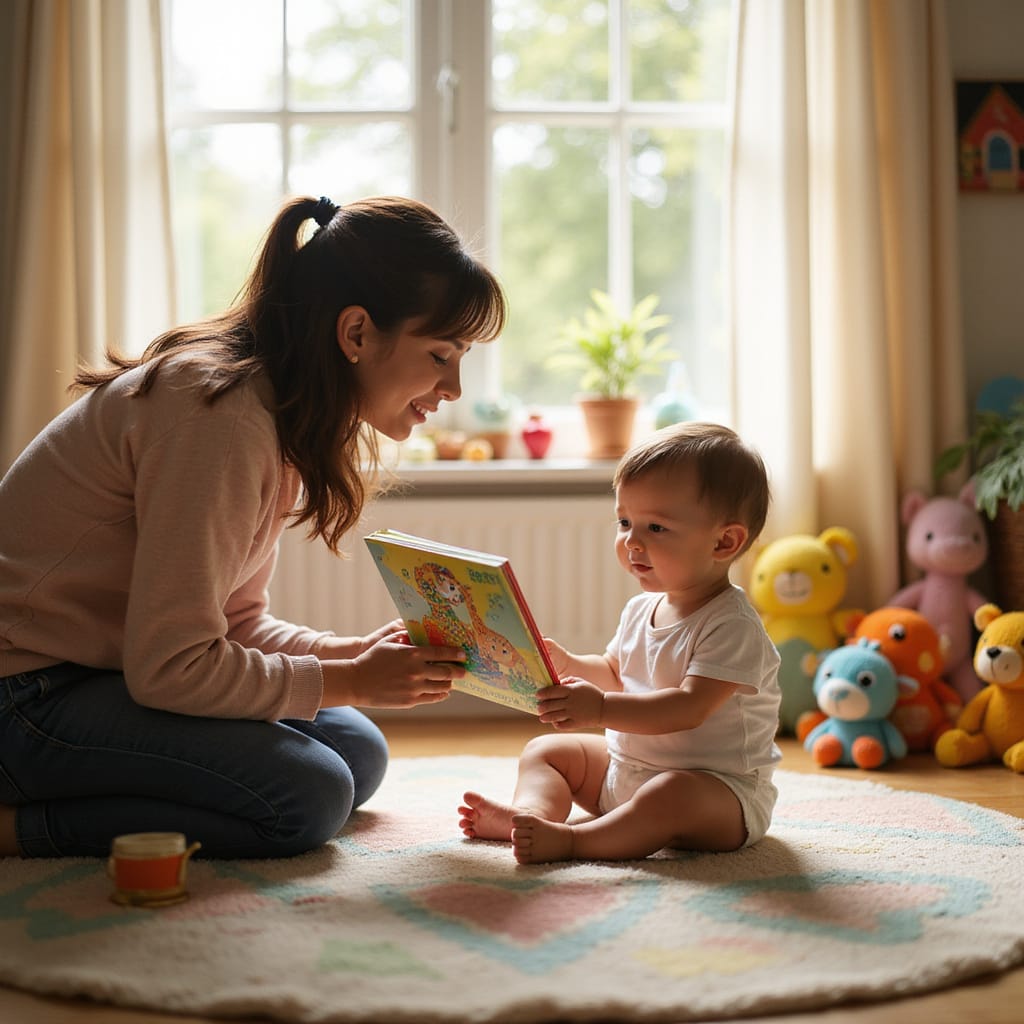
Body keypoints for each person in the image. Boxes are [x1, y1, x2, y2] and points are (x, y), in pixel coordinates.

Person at [0, 194, 506, 859]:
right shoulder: (220, 418)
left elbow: (233, 625)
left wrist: (351, 656)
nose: (455, 389)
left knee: (359, 750)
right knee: (309, 796)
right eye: (442, 354)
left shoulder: (275, 408)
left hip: (101, 671)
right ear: (356, 333)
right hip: (25, 694)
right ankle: (20, 829)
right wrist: (353, 679)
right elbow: (172, 668)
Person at [459, 422, 781, 863]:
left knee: (672, 792)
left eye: (657, 527)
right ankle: (530, 816)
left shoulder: (732, 625)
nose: (631, 540)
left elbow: (688, 708)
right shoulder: (640, 609)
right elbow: (615, 673)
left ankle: (575, 841)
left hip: (716, 797)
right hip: (626, 772)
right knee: (548, 750)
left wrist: (600, 710)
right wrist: (569, 662)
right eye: (625, 521)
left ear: (725, 541)